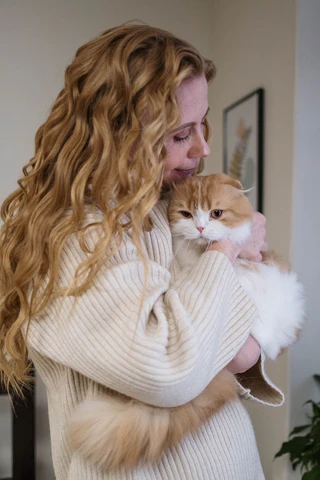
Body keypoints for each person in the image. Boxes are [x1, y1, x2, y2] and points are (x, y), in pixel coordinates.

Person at [0, 24, 284, 479]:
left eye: (202, 124)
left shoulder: (160, 208)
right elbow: (169, 369)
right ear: (115, 134)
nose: (203, 147)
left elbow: (244, 349)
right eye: (179, 135)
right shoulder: (74, 237)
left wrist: (233, 336)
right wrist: (227, 247)